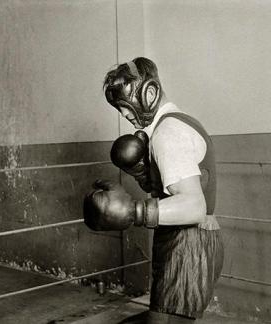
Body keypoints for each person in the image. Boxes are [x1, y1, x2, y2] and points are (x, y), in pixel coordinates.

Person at [83, 57, 224, 323]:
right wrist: (141, 171)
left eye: (124, 106)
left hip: (188, 243)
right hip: (184, 239)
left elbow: (195, 206)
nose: (124, 114)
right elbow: (172, 190)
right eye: (119, 109)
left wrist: (132, 211)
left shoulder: (168, 134)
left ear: (149, 93)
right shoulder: (178, 123)